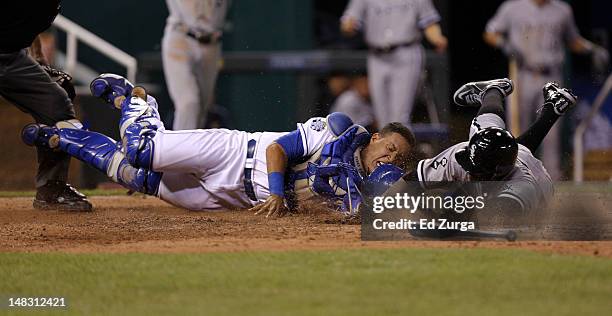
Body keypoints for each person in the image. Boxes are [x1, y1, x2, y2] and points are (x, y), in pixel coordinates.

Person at [22, 74, 415, 217]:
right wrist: (278, 193)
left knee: (133, 173)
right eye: (391, 147)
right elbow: (278, 150)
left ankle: (67, 136)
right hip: (233, 153)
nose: (390, 156)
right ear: (376, 136)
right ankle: (135, 99)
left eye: (399, 157)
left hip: (231, 198)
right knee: (141, 149)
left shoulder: (364, 193)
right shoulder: (338, 131)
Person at [385, 78, 577, 213]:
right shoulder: (461, 154)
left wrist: (454, 212)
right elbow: (411, 179)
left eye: (477, 170)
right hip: (503, 153)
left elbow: (503, 216)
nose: (468, 169)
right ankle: (493, 90)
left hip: (537, 185)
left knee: (520, 155)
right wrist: (377, 206)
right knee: (487, 122)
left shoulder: (523, 184)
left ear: (497, 173)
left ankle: (552, 109)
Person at [483, 0, 609, 179]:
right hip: (522, 75)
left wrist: (592, 48)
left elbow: (572, 40)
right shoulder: (512, 7)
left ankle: (551, 180)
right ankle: (515, 178)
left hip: (551, 75)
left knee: (551, 132)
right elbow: (490, 33)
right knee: (519, 130)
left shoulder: (562, 10)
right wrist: (503, 43)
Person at [0, 1, 91, 211]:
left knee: (57, 104)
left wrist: (41, 64)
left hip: (13, 59)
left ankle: (52, 189)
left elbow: (27, 25)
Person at [340, 0, 448, 127]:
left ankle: (400, 145)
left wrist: (437, 38)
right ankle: (388, 145)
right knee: (381, 116)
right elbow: (348, 23)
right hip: (377, 55)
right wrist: (348, 26)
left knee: (400, 117)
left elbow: (429, 22)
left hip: (406, 53)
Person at [162, 0, 231, 130]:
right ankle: (181, 149)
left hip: (212, 43)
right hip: (181, 37)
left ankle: (191, 148)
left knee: (202, 109)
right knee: (189, 102)